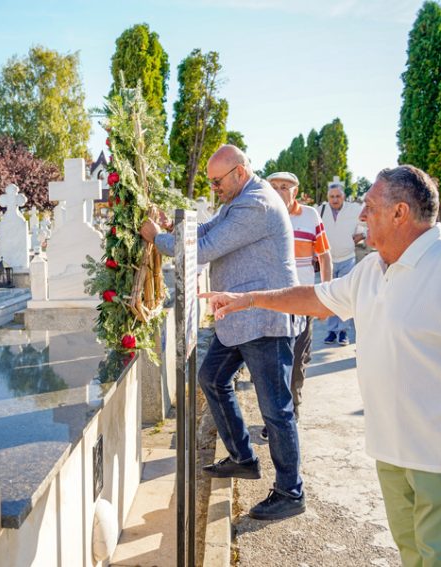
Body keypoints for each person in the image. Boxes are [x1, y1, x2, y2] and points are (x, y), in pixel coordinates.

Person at [202, 165, 441, 566]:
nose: (361, 215)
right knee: (413, 555)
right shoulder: (372, 269)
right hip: (393, 452)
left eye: (369, 206)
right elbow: (315, 298)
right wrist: (251, 299)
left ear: (400, 212)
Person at [140, 145, 306, 521]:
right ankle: (243, 457)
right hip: (238, 319)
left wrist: (155, 239)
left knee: (276, 410)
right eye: (211, 182)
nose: (213, 187)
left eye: (217, 181)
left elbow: (205, 248)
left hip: (264, 321)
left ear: (240, 172)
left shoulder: (256, 204)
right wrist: (171, 230)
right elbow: (204, 230)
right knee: (211, 378)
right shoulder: (238, 199)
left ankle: (290, 491)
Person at [267, 171, 332, 431]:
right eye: (273, 186)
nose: (279, 190)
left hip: (303, 300)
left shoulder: (310, 216)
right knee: (273, 358)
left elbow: (325, 257)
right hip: (272, 299)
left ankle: (292, 408)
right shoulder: (266, 214)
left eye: (285, 187)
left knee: (297, 358)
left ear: (295, 191)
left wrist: (326, 296)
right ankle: (275, 416)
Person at [320, 182, 365, 346]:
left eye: (338, 196)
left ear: (343, 197)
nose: (335, 199)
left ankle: (343, 332)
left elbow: (366, 223)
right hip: (328, 260)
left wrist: (362, 235)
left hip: (347, 258)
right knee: (330, 294)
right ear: (328, 198)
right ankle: (331, 331)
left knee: (345, 295)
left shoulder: (353, 209)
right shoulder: (321, 210)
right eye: (332, 196)